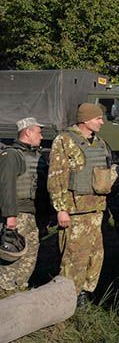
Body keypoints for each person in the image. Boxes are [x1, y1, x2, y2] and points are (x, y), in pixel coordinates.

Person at [48, 103, 112, 306]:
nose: (102, 122)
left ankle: (85, 291)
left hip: (96, 209)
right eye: (98, 118)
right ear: (85, 120)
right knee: (74, 254)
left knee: (95, 254)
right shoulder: (65, 140)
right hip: (74, 210)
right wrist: (61, 209)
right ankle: (66, 295)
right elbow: (56, 177)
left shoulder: (100, 142)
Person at [0, 117, 45, 298]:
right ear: (28, 132)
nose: (41, 136)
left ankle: (19, 287)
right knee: (12, 252)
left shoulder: (35, 155)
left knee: (29, 253)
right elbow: (6, 186)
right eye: (38, 132)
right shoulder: (11, 155)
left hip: (30, 212)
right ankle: (6, 289)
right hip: (17, 213)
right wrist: (10, 215)